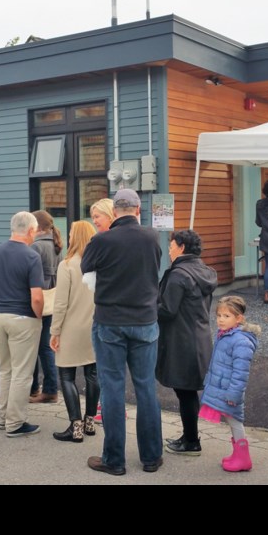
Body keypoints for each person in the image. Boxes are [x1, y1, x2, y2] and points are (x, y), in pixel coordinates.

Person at [81, 188, 163, 476]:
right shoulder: (152, 237)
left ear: (115, 212)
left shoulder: (101, 240)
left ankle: (114, 460)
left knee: (113, 388)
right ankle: (152, 457)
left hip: (110, 321)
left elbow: (86, 272)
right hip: (144, 320)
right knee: (145, 388)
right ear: (138, 210)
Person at [0, 211, 44, 437]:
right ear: (31, 230)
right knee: (22, 373)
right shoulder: (31, 256)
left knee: (5, 369)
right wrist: (38, 315)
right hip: (23, 317)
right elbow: (36, 296)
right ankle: (15, 423)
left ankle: (3, 417)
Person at [157, 229, 217, 456]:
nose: (169, 250)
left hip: (181, 340)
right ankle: (189, 436)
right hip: (199, 337)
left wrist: (145, 308)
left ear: (181, 247)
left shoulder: (179, 274)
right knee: (187, 390)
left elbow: (167, 309)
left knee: (185, 392)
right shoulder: (204, 270)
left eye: (172, 245)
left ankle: (191, 441)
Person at [49, 220, 99, 442]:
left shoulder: (67, 265)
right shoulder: (99, 264)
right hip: (94, 325)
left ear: (76, 237)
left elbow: (60, 303)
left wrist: (55, 330)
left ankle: (75, 426)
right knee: (92, 374)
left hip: (71, 327)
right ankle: (90, 422)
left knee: (67, 375)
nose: (68, 237)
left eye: (70, 233)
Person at [199, 295, 260, 472]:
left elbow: (240, 373)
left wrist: (233, 394)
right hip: (222, 389)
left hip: (230, 392)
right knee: (232, 421)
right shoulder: (225, 335)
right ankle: (238, 455)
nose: (220, 320)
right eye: (219, 316)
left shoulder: (240, 341)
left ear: (238, 318)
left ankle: (243, 458)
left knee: (235, 421)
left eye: (226, 316)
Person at [88, 197, 116, 424]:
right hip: (110, 309)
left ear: (110, 214)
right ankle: (106, 406)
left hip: (108, 311)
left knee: (108, 368)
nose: (94, 220)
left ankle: (109, 409)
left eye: (97, 216)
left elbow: (87, 274)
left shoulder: (102, 241)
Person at [29, 210, 62, 404]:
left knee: (37, 347)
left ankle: (41, 389)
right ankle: (48, 388)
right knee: (46, 347)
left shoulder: (35, 247)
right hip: (52, 300)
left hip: (38, 300)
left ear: (37, 227)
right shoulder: (56, 245)